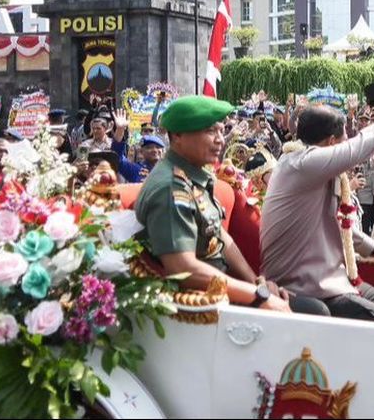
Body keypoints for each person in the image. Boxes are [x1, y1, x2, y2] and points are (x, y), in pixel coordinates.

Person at [134, 95, 328, 317]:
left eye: (220, 130)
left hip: (221, 290)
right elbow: (182, 268)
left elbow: (220, 237)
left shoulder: (195, 176)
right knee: (315, 313)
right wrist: (256, 296)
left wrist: (257, 283)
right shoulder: (170, 188)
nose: (220, 139)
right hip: (198, 305)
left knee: (317, 309)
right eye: (209, 131)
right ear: (177, 136)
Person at [261, 94, 374, 324]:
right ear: (331, 143)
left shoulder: (309, 165)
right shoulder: (304, 164)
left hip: (328, 278)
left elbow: (338, 223)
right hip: (303, 287)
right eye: (345, 139)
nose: (348, 142)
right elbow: (363, 145)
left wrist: (373, 250)